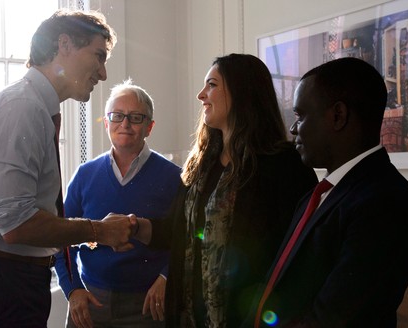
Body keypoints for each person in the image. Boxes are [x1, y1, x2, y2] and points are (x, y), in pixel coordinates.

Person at [0, 9, 135, 328]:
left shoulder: (37, 109)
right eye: (98, 56)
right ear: (65, 45)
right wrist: (99, 231)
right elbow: (16, 224)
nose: (102, 73)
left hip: (14, 282)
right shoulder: (22, 108)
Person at [130, 54, 318, 327]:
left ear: (243, 92)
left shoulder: (285, 164)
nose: (201, 95)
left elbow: (299, 256)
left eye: (212, 85)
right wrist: (135, 227)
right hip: (191, 318)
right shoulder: (202, 163)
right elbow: (179, 231)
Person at [250, 57, 408, 327]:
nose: (292, 129)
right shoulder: (318, 195)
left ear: (338, 115)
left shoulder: (389, 204)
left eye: (300, 116)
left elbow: (333, 319)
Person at [54, 80, 181, 328]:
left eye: (135, 117)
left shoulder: (175, 178)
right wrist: (73, 290)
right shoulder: (84, 175)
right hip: (91, 302)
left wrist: (168, 276)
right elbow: (61, 238)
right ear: (106, 122)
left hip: (149, 305)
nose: (125, 124)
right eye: (117, 116)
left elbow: (188, 238)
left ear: (149, 127)